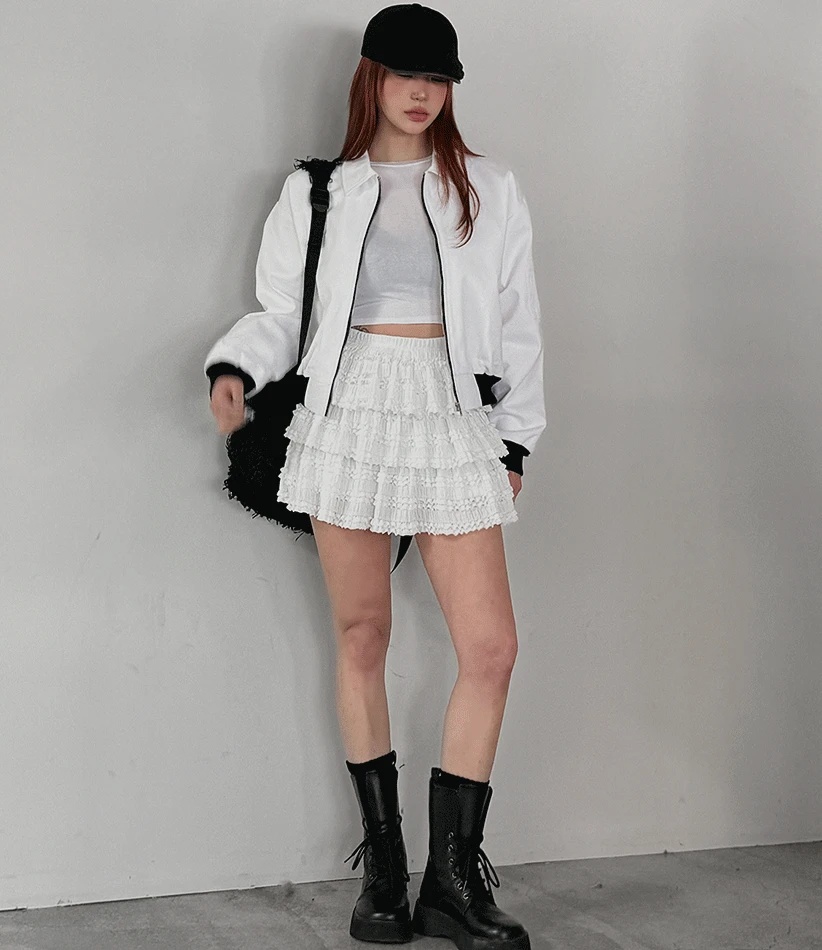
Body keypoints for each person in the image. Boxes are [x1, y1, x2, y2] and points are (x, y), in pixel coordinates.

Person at [204, 5, 544, 949]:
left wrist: (514, 440)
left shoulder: (489, 188)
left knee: (491, 648)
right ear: (372, 79)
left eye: (438, 78)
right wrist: (235, 369)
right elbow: (281, 311)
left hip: (450, 411)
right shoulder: (320, 190)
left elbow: (518, 321)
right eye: (405, 74)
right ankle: (386, 879)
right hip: (350, 409)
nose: (422, 92)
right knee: (362, 634)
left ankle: (453, 882)